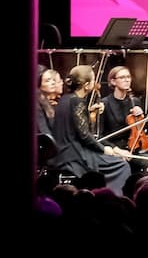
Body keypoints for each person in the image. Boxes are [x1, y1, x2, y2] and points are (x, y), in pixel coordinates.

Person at [56, 66, 133, 194]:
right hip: (74, 154)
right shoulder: (78, 101)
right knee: (122, 165)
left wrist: (91, 115)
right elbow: (85, 135)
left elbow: (74, 126)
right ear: (86, 85)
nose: (95, 83)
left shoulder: (65, 99)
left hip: (63, 151)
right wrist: (104, 149)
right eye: (93, 80)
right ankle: (112, 199)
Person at [97, 65, 148, 155]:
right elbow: (100, 137)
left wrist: (141, 118)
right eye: (122, 77)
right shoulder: (105, 104)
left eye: (128, 77)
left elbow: (142, 130)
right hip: (114, 149)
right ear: (113, 81)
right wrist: (117, 150)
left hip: (133, 147)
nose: (127, 80)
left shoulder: (135, 101)